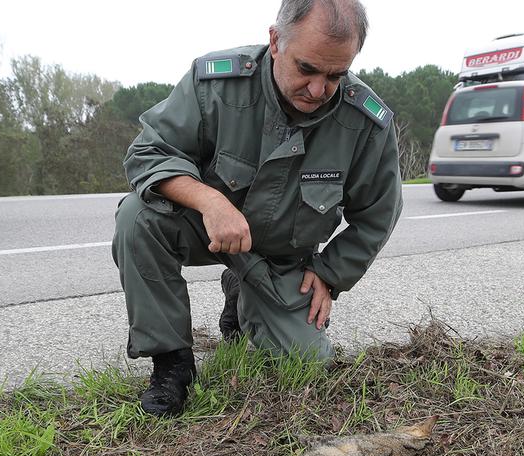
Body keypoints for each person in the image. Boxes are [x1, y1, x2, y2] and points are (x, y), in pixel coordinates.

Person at [112, 0, 403, 417]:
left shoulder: (365, 122)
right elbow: (148, 152)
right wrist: (208, 199)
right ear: (275, 41)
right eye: (306, 69)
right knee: (137, 218)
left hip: (282, 259)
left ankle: (241, 293)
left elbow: (379, 212)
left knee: (308, 364)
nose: (318, 90)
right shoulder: (216, 84)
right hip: (210, 231)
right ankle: (172, 361)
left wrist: (330, 274)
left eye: (335, 75)